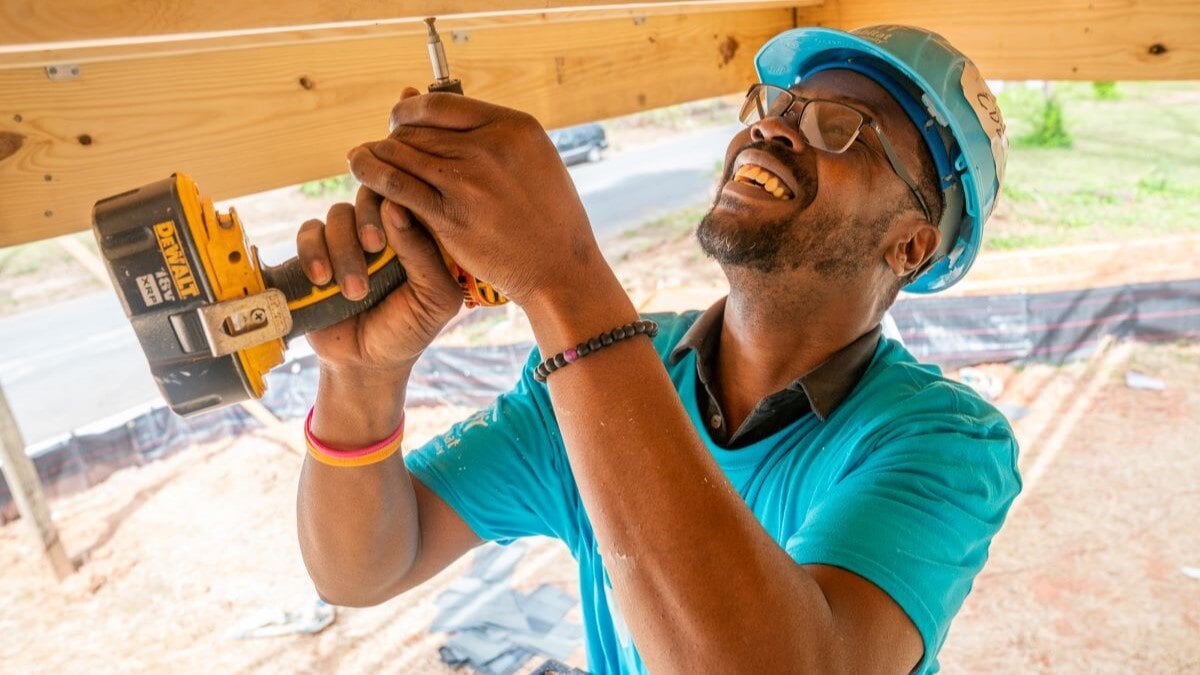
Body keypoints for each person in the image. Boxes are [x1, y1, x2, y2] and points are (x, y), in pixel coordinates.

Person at [294, 24, 1020, 674]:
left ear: (913, 246)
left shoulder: (947, 444)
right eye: (778, 106)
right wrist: (361, 376)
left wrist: (565, 277)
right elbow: (363, 568)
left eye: (842, 127)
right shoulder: (591, 387)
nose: (775, 130)